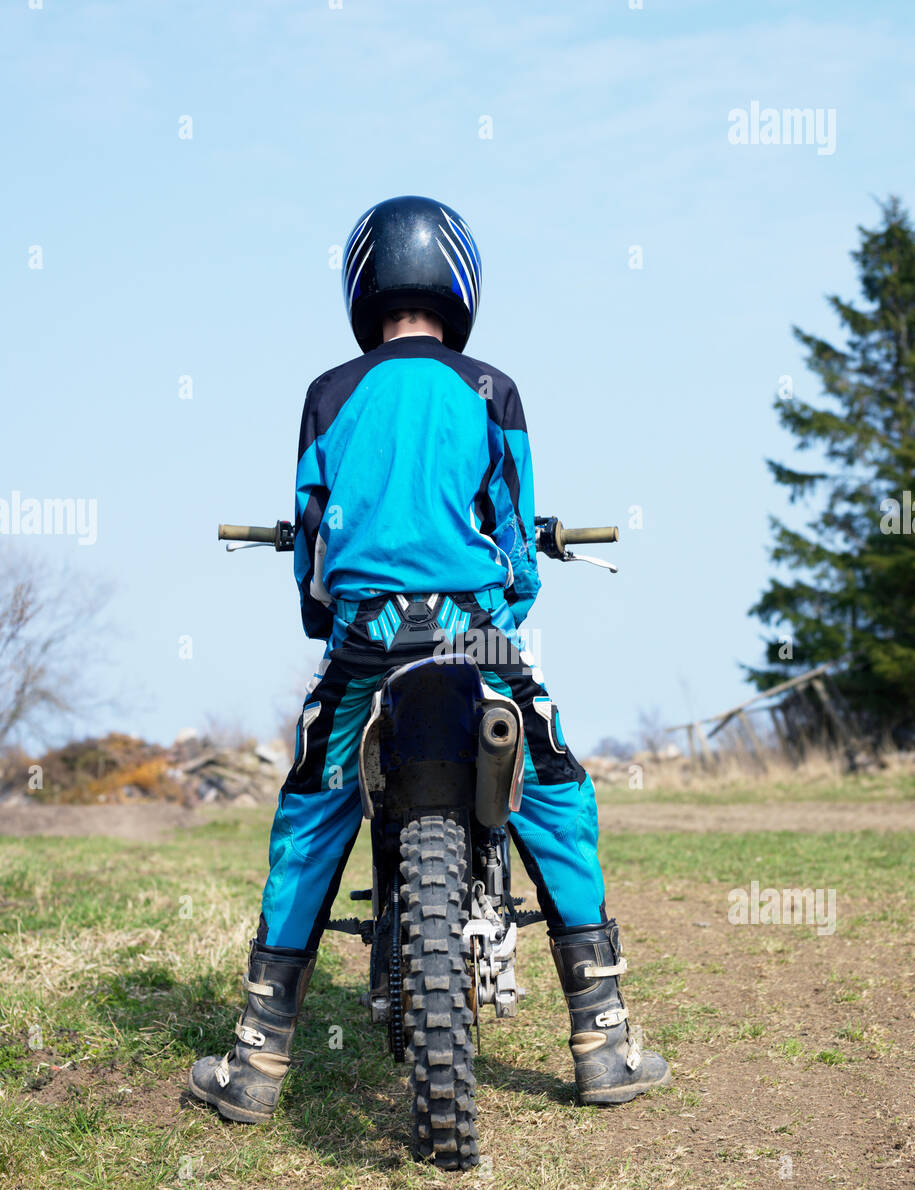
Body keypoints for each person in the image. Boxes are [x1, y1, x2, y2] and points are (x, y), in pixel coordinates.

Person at [189, 195, 670, 1125]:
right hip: (472, 631)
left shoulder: (329, 394)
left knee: (311, 805)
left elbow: (312, 547)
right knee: (557, 781)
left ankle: (256, 1061)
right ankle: (602, 1038)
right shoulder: (493, 388)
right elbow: (516, 534)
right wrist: (508, 607)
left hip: (368, 635)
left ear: (363, 287)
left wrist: (317, 619)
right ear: (460, 285)